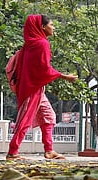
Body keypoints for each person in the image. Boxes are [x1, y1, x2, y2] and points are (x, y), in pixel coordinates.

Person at [6, 14, 78, 160]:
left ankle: (49, 150)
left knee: (48, 116)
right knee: (25, 119)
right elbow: (45, 69)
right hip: (32, 89)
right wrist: (65, 76)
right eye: (51, 24)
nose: (54, 27)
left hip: (34, 87)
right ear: (42, 27)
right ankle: (13, 152)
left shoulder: (29, 45)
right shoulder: (41, 44)